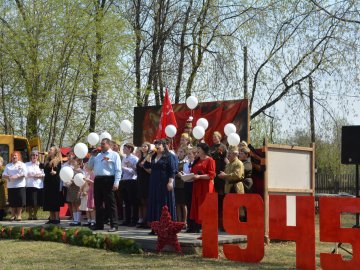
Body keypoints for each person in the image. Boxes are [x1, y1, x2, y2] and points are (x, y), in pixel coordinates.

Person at [88, 138, 121, 232]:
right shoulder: (97, 155)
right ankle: (99, 225)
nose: (101, 146)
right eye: (101, 144)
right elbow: (90, 167)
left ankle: (114, 225)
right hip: (98, 179)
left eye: (103, 144)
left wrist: (116, 182)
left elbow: (118, 170)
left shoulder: (114, 155)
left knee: (110, 203)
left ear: (109, 145)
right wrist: (92, 156)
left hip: (109, 179)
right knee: (98, 203)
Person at [144, 139, 176, 235]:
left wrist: (170, 182)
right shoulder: (153, 156)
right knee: (154, 203)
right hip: (154, 183)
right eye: (155, 145)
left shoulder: (169, 156)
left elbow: (172, 170)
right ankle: (155, 227)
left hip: (164, 183)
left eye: (159, 144)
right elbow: (145, 165)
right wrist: (149, 155)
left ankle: (166, 227)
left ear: (163, 145)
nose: (157, 146)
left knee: (164, 203)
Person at [189, 143, 216, 233]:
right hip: (197, 186)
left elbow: (211, 175)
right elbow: (192, 172)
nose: (197, 150)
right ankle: (198, 225)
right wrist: (186, 176)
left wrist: (200, 177)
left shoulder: (210, 160)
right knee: (197, 205)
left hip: (206, 187)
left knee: (204, 205)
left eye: (199, 148)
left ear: (204, 150)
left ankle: (206, 225)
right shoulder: (197, 160)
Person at [2, 151, 27, 221]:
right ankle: (13, 215)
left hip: (20, 185)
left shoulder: (22, 164)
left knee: (19, 201)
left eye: (16, 155)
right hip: (11, 186)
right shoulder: (8, 165)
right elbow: (3, 174)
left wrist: (17, 176)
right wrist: (7, 176)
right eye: (13, 155)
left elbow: (25, 173)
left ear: (18, 157)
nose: (14, 157)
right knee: (12, 202)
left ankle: (19, 215)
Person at [210, 131, 227, 228]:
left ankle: (221, 222)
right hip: (213, 173)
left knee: (220, 198)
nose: (214, 138)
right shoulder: (211, 147)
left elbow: (225, 159)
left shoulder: (223, 147)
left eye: (215, 137)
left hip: (220, 174)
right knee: (213, 198)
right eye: (213, 137)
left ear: (219, 137)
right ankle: (213, 221)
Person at [41, 146, 63, 224]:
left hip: (55, 182)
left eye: (51, 150)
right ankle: (52, 218)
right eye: (49, 149)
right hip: (48, 181)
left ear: (55, 152)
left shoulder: (58, 161)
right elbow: (41, 166)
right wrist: (43, 157)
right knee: (49, 199)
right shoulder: (48, 160)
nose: (49, 151)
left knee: (55, 200)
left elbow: (60, 171)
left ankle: (57, 218)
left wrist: (56, 173)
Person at [119, 143, 139, 226]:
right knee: (126, 201)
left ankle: (134, 220)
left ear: (130, 149)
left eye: (125, 148)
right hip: (124, 180)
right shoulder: (124, 158)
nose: (123, 150)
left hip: (131, 181)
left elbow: (135, 172)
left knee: (132, 201)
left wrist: (125, 168)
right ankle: (127, 220)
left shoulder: (135, 159)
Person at [25, 151, 45, 220]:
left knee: (38, 202)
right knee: (29, 202)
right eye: (33, 155)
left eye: (36, 155)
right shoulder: (26, 164)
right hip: (29, 185)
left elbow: (44, 174)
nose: (35, 156)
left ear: (38, 157)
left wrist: (39, 175)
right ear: (31, 156)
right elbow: (24, 173)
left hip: (39, 185)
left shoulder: (41, 164)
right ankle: (30, 215)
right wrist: (29, 175)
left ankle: (35, 214)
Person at [136, 142, 151, 228]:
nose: (143, 147)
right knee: (142, 202)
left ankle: (147, 221)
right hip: (140, 181)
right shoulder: (141, 158)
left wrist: (144, 167)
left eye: (145, 146)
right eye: (142, 146)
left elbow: (150, 170)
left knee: (147, 201)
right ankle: (143, 220)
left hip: (147, 181)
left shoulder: (149, 157)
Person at [175, 147, 187, 225]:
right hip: (176, 184)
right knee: (177, 204)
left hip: (183, 184)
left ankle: (185, 221)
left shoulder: (186, 162)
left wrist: (181, 174)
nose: (180, 153)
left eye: (181, 151)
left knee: (183, 204)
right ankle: (179, 221)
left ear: (184, 153)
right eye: (179, 151)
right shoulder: (175, 161)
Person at [0, 156, 7, 220]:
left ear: (2, 163)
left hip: (1, 188)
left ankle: (1, 216)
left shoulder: (3, 170)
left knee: (1, 202)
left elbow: (4, 179)